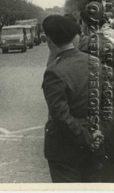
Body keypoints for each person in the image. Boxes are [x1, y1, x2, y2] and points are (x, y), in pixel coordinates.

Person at [42, 15, 104, 182]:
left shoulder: (54, 71)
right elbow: (106, 104)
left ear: (48, 40)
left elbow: (60, 116)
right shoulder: (94, 62)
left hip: (65, 148)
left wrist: (86, 138)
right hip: (94, 137)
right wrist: (97, 133)